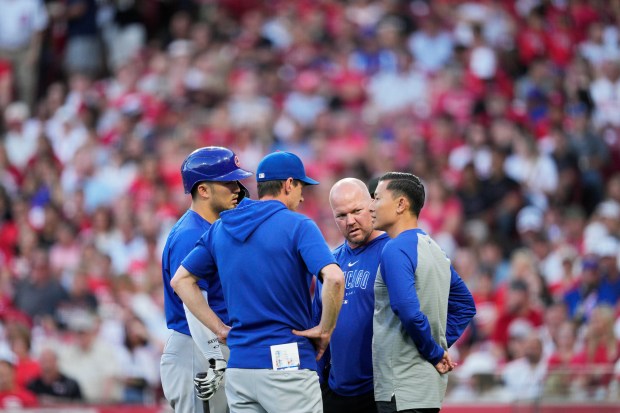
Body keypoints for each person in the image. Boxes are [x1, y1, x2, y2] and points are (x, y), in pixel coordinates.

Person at [172, 151, 345, 413]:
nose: (301, 196)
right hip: (287, 362)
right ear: (288, 184)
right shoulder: (298, 225)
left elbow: (182, 280)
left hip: (240, 367)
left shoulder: (221, 227)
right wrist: (325, 329)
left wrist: (220, 328)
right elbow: (334, 277)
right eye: (301, 187)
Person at [370, 172, 476, 413]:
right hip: (427, 389)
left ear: (400, 204)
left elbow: (407, 310)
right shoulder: (435, 249)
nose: (371, 206)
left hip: (400, 388)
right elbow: (466, 305)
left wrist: (434, 351)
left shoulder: (394, 249)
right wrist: (438, 343)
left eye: (376, 198)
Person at [161, 146, 253, 413]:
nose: (237, 188)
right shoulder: (191, 233)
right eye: (228, 182)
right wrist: (214, 357)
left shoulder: (214, 228)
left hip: (210, 344)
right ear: (203, 190)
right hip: (196, 347)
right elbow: (193, 302)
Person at [314, 177, 390, 413]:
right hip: (336, 393)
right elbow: (318, 327)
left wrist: (434, 349)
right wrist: (319, 383)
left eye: (356, 211)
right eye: (341, 215)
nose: (350, 221)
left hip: (381, 392)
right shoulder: (330, 263)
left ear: (371, 205)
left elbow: (454, 303)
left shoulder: (393, 251)